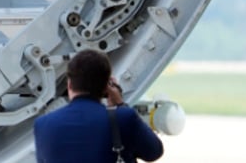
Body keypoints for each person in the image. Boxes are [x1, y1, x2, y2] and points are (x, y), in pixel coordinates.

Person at [33, 49, 163, 163]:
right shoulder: (123, 118)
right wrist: (120, 104)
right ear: (106, 86)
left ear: (69, 84)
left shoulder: (43, 124)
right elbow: (154, 152)